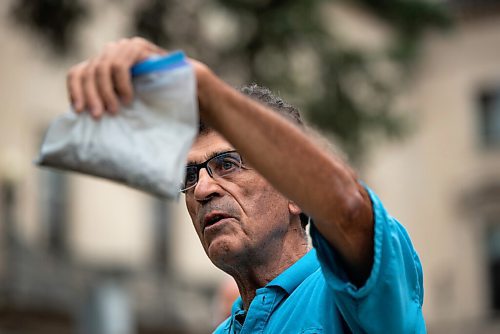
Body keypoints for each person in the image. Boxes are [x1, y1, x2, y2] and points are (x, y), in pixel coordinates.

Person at [67, 37, 426, 333]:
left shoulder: (352, 295)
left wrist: (206, 90)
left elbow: (347, 208)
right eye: (189, 176)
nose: (202, 190)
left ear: (296, 192)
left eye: (227, 164)